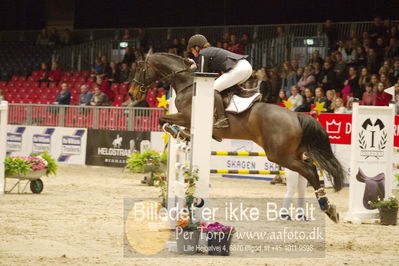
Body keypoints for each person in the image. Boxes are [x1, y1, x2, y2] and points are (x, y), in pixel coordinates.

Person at [187, 34, 252, 128]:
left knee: (213, 89)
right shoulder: (210, 51)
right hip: (246, 67)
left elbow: (202, 75)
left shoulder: (203, 53)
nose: (192, 52)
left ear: (197, 47)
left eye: (192, 50)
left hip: (239, 69)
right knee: (223, 87)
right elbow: (209, 73)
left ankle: (222, 119)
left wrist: (193, 67)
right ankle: (240, 91)